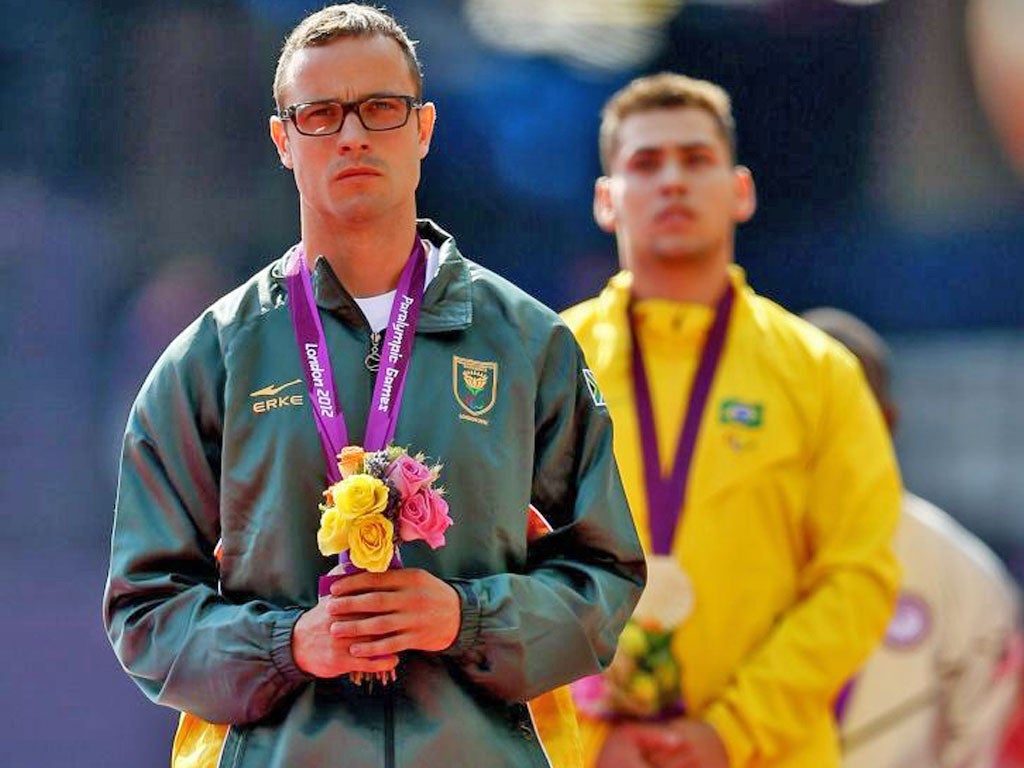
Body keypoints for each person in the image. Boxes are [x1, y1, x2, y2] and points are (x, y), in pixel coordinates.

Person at [102, 6, 646, 768]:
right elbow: (144, 607)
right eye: (320, 114)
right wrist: (290, 643)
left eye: (380, 109)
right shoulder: (213, 359)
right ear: (282, 140)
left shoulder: (526, 344)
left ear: (423, 129)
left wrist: (464, 616)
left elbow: (607, 578)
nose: (352, 134)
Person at [561, 72, 902, 768]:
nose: (673, 182)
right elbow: (497, 568)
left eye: (696, 159)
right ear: (606, 200)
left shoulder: (820, 373)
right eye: (646, 164)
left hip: (768, 754)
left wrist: (732, 732)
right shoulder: (547, 367)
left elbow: (858, 577)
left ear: (740, 190)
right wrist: (591, 732)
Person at [802, 307, 1023, 768]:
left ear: (887, 421)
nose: (824, 433)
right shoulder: (708, 552)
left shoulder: (965, 580)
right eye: (804, 409)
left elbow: (988, 750)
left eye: (848, 411)